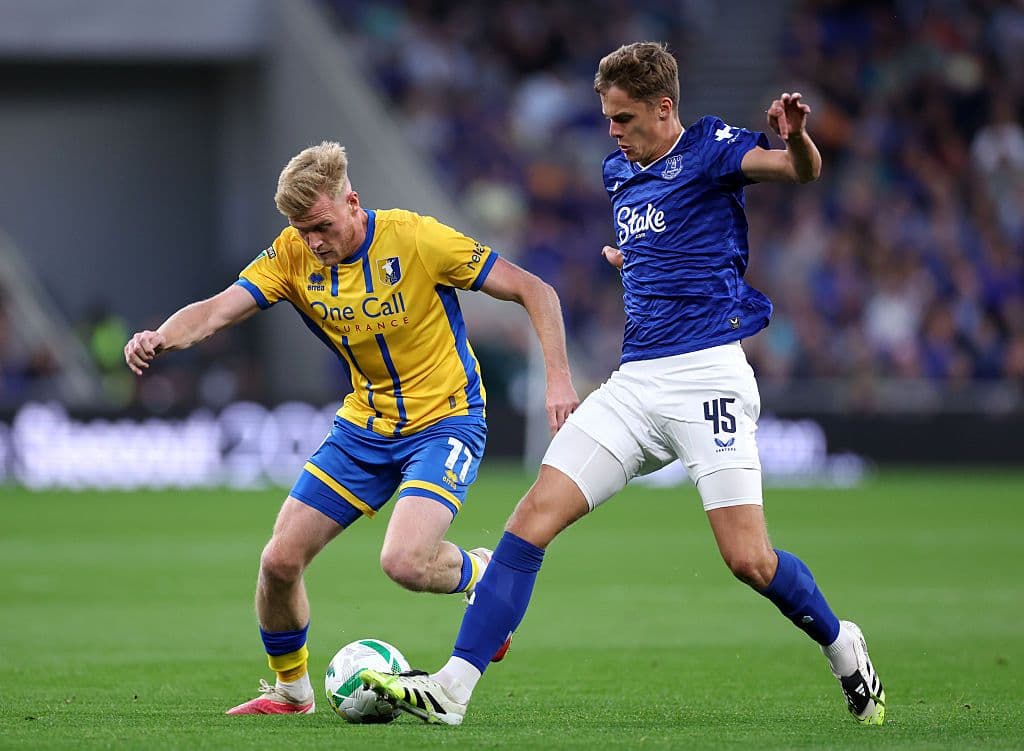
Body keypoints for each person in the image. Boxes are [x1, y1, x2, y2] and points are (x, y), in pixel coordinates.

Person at [361, 41, 886, 726]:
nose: (613, 132)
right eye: (608, 117)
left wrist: (801, 139)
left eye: (625, 117)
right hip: (636, 382)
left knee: (749, 559)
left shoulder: (712, 148)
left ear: (664, 109)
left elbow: (798, 171)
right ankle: (454, 687)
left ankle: (843, 642)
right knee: (527, 524)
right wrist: (633, 260)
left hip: (708, 379)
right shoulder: (620, 171)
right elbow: (663, 245)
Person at [123, 141, 578, 715]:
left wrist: (558, 378)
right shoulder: (291, 255)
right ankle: (291, 691)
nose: (313, 241)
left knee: (405, 562)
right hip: (364, 427)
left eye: (320, 225)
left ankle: (479, 573)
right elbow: (216, 311)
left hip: (446, 421)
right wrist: (161, 335)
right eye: (301, 229)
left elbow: (535, 290)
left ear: (352, 203)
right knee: (278, 561)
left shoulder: (417, 239)